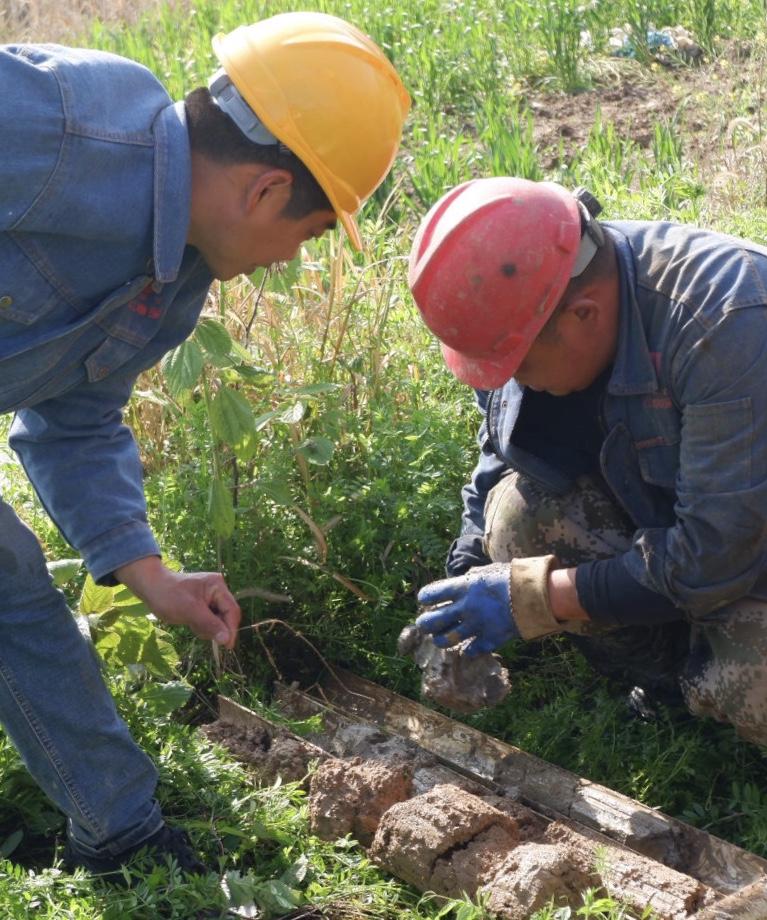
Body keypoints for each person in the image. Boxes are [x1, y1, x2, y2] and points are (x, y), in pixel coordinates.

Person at [0, 12, 409, 875]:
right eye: (309, 233)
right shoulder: (60, 124)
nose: (287, 261)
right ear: (263, 191)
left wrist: (151, 579)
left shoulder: (172, 282)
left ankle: (122, 841)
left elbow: (73, 419)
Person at [408, 177, 767, 763]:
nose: (508, 381)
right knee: (513, 524)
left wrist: (533, 598)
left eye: (516, 365)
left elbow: (715, 557)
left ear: (581, 316)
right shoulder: (543, 296)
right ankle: (672, 677)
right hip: (679, 498)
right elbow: (502, 444)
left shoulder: (731, 323)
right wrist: (465, 567)